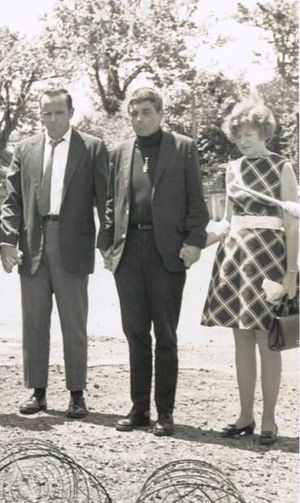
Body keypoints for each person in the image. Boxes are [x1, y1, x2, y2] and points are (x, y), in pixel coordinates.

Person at [98, 87, 209, 437]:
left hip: (166, 253)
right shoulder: (119, 152)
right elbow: (111, 203)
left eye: (146, 111)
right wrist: (106, 244)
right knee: (134, 334)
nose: (139, 118)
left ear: (160, 114)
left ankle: (165, 412)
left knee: (165, 334)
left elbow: (196, 201)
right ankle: (139, 409)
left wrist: (194, 241)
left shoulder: (182, 148)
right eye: (134, 112)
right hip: (129, 251)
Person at [0, 89, 109, 419]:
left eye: (58, 113)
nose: (51, 119)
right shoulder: (26, 148)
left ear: (71, 112)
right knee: (34, 321)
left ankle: (77, 393)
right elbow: (12, 199)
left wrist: (108, 243)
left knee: (73, 322)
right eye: (46, 113)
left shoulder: (91, 148)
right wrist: (7, 240)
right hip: (33, 241)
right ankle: (37, 391)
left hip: (71, 242)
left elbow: (105, 200)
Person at [200, 100, 298, 446]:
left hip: (269, 260)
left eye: (250, 133)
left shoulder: (282, 167)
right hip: (236, 261)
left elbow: (291, 223)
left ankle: (269, 420)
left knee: (267, 342)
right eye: (238, 134)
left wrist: (291, 273)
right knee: (241, 339)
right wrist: (198, 243)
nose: (243, 140)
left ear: (264, 132)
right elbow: (227, 220)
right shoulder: (233, 169)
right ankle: (245, 416)